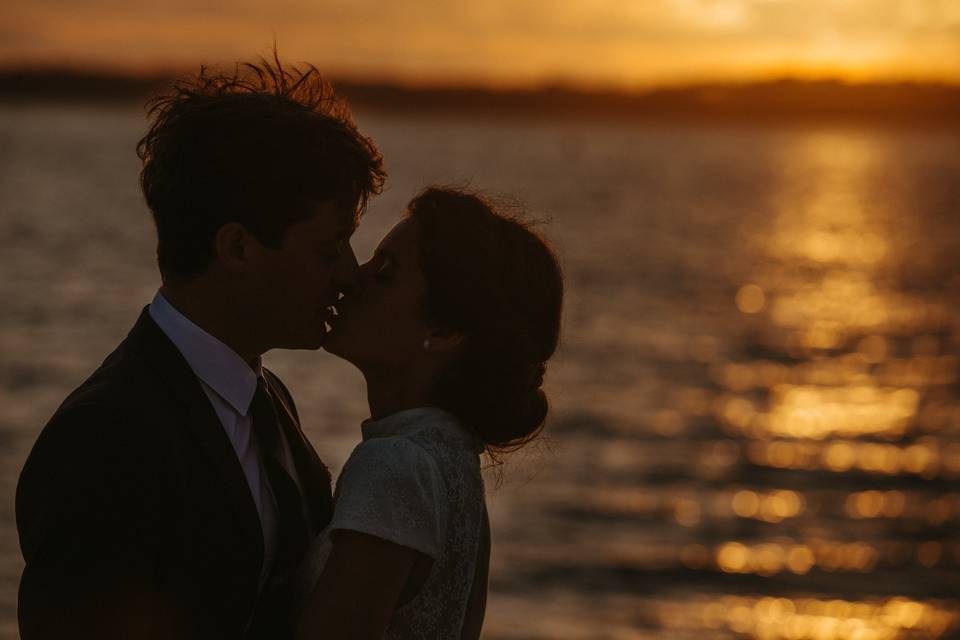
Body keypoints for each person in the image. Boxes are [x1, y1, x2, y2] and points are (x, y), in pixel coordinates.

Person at [15, 59, 385, 639]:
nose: (351, 274)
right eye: (329, 250)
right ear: (237, 248)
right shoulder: (104, 437)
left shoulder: (267, 398)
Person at [295, 187, 564, 639]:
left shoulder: (397, 466)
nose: (352, 278)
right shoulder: (452, 464)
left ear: (443, 331)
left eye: (384, 273)